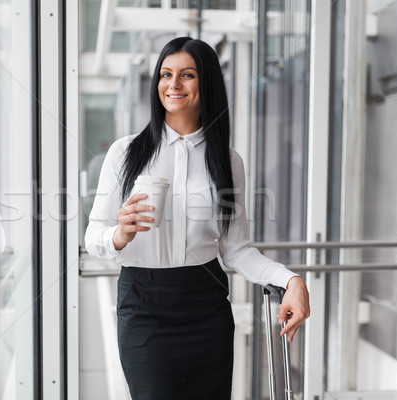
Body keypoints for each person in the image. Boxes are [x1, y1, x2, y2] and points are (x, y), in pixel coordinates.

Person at [84, 37, 310, 400]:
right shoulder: (125, 153)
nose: (173, 85)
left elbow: (237, 249)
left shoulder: (228, 160)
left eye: (186, 75)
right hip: (144, 307)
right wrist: (119, 235)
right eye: (165, 74)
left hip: (207, 309)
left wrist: (291, 279)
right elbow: (92, 235)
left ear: (206, 83)